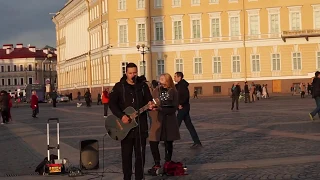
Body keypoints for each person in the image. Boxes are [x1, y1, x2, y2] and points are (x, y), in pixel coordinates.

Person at [109, 63, 154, 180]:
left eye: (135, 73)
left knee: (140, 156)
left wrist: (151, 106)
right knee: (126, 156)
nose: (133, 75)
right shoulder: (120, 86)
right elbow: (112, 104)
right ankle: (127, 177)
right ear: (126, 73)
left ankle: (139, 177)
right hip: (125, 128)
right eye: (130, 73)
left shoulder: (142, 86)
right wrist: (121, 115)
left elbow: (149, 101)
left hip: (141, 126)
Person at [147, 73, 181, 175]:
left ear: (167, 80)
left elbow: (174, 107)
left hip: (169, 120)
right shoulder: (156, 90)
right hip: (157, 120)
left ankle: (167, 162)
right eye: (159, 78)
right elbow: (152, 102)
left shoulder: (173, 91)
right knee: (153, 141)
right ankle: (157, 163)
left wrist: (160, 108)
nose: (160, 79)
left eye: (162, 78)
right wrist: (151, 106)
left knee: (168, 142)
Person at [174, 72, 202, 148]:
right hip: (184, 108)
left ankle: (168, 141)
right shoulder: (178, 86)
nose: (174, 78)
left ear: (179, 77)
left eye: (175, 76)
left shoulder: (182, 86)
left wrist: (180, 104)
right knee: (189, 125)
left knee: (176, 125)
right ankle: (197, 142)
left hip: (183, 108)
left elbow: (186, 97)